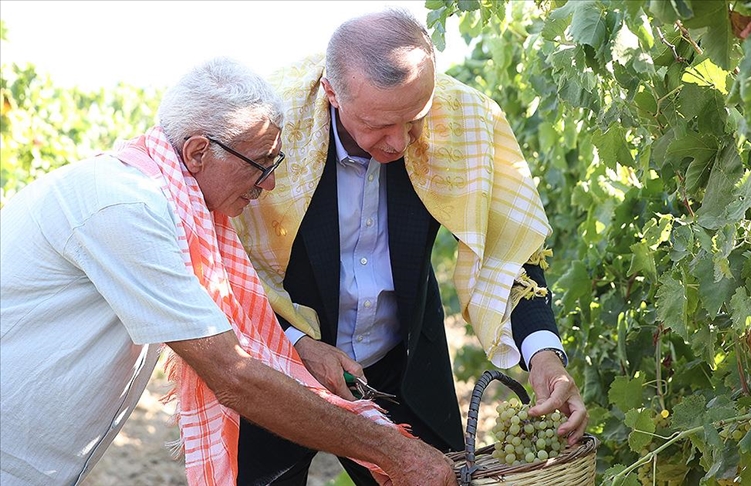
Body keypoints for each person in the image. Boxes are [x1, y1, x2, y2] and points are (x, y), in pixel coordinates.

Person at [0, 57, 456, 486]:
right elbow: (233, 375)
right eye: (262, 163)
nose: (270, 183)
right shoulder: (126, 206)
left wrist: (299, 349)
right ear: (198, 152)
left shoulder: (164, 206)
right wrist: (396, 452)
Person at [232, 8, 589, 486]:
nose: (399, 142)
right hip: (282, 362)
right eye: (379, 124)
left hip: (403, 367)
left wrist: (544, 354)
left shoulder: (462, 121)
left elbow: (511, 249)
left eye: (413, 118)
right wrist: (296, 343)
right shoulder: (270, 132)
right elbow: (223, 261)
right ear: (332, 93)